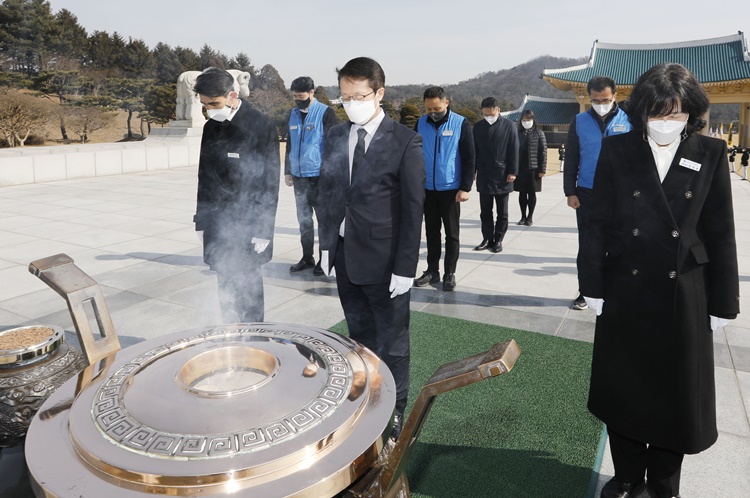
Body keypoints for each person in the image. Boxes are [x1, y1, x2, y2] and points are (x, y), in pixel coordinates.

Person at [579, 63, 739, 498]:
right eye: (658, 114)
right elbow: (596, 223)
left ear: (692, 114)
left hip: (684, 287)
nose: (667, 124)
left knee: (676, 392)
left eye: (678, 115)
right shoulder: (618, 150)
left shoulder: (710, 152)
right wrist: (591, 285)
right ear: (641, 111)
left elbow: (720, 229)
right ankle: (628, 473)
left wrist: (724, 301)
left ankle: (665, 482)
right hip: (626, 285)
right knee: (625, 386)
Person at [317, 57, 425, 438]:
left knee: (392, 342)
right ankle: (365, 402)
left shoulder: (404, 140)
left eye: (358, 96)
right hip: (346, 256)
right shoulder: (335, 135)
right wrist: (326, 246)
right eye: (343, 97)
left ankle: (395, 414)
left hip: (386, 262)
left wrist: (406, 266)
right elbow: (328, 193)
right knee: (359, 336)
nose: (350, 104)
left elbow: (413, 208)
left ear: (379, 93)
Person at [193, 67, 280, 323]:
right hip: (218, 222)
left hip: (249, 223)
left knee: (248, 286)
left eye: (214, 103)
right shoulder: (211, 127)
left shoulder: (260, 126)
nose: (209, 109)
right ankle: (231, 334)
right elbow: (204, 176)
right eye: (204, 105)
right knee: (226, 282)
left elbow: (269, 182)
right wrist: (201, 220)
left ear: (231, 95)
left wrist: (263, 229)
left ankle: (255, 339)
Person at [564, 76, 631, 310]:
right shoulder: (579, 121)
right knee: (589, 247)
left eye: (605, 99)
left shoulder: (629, 119)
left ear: (615, 96)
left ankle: (615, 291)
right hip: (587, 193)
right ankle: (587, 292)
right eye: (595, 100)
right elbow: (572, 157)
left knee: (619, 246)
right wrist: (570, 191)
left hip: (619, 193)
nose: (600, 103)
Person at [413, 86, 475, 291]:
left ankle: (450, 272)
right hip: (427, 189)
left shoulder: (460, 123)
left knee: (452, 234)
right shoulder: (420, 123)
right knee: (431, 232)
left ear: (446, 103)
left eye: (437, 108)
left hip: (451, 188)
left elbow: (469, 157)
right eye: (429, 108)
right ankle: (432, 271)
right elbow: (413, 155)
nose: (433, 112)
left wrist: (465, 187)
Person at [284, 76, 338, 276]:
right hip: (299, 178)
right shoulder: (293, 114)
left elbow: (334, 146)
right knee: (304, 221)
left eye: (301, 95)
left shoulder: (326, 112)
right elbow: (290, 143)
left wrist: (330, 173)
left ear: (312, 92)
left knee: (324, 222)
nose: (298, 99)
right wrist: (288, 170)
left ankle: (325, 260)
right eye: (295, 96)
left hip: (319, 177)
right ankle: (307, 258)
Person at [473, 97, 519, 253]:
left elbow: (514, 149)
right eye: (485, 114)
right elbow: (474, 152)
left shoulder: (509, 126)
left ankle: (498, 239)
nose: (488, 117)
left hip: (503, 174)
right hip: (484, 174)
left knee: (502, 212)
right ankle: (487, 238)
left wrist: (513, 171)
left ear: (498, 110)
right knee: (485, 211)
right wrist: (472, 171)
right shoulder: (478, 127)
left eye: (491, 114)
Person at [513, 109, 547, 226]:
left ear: (533, 120)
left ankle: (530, 217)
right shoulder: (517, 133)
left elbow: (543, 152)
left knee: (532, 194)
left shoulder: (539, 133)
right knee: (522, 194)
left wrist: (542, 169)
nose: (526, 122)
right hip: (520, 168)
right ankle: (522, 216)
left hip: (533, 169)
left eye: (528, 119)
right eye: (524, 120)